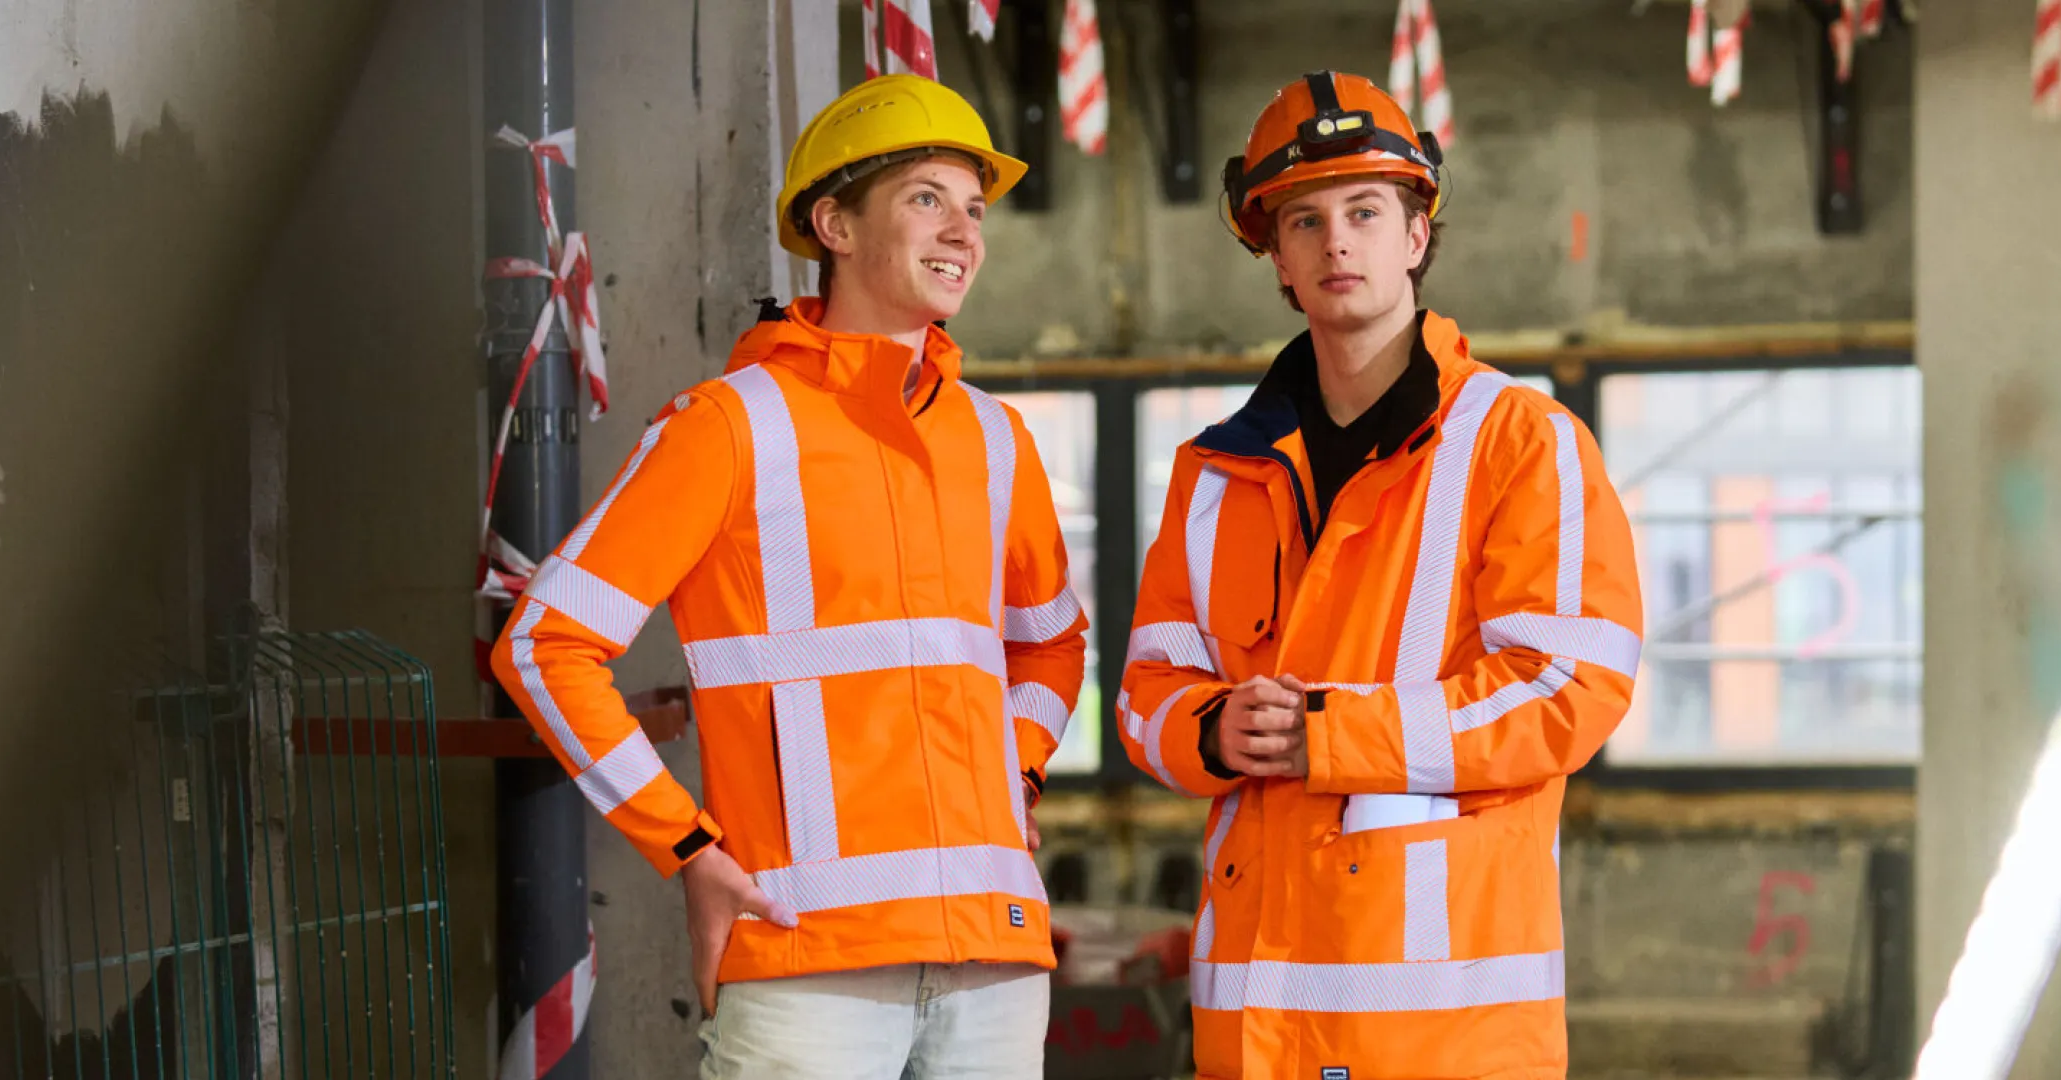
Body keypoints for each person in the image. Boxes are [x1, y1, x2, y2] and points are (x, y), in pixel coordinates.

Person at [493, 73, 1086, 1079]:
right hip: (808, 958)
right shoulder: (733, 427)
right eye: (926, 199)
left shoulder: (996, 439)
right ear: (834, 226)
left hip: (994, 960)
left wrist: (1013, 768)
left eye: (975, 207)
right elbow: (546, 644)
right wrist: (686, 850)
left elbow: (1052, 642)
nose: (962, 233)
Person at [1117, 71, 1645, 1080]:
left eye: (1365, 212)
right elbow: (1148, 691)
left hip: (1444, 1027)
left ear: (1416, 236)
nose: (1336, 244)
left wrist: (1329, 735)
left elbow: (1569, 688)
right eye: (1304, 222)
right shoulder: (1215, 470)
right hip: (1251, 1022)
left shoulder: (1521, 444)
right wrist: (1212, 731)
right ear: (1274, 257)